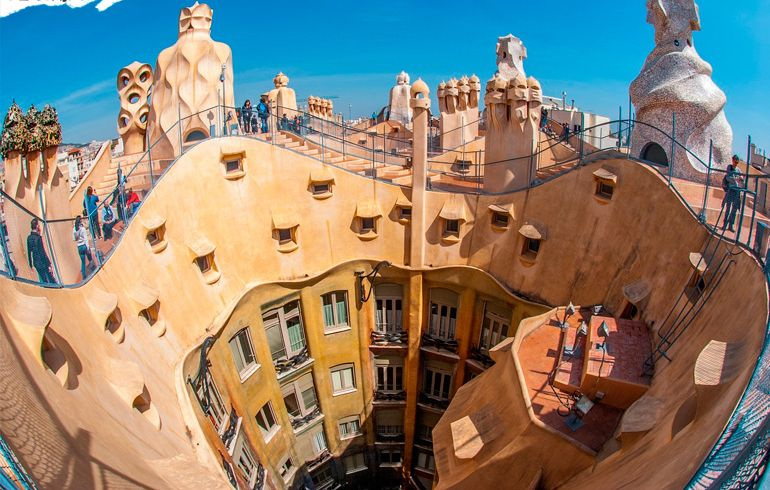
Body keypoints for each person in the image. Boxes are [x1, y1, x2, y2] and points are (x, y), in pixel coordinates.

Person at [26, 218, 55, 283]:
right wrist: (49, 264)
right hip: (43, 262)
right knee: (50, 278)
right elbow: (42, 252)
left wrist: (30, 264)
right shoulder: (38, 238)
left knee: (43, 279)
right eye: (38, 225)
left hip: (36, 263)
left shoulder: (29, 238)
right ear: (36, 226)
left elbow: (29, 252)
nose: (39, 226)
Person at [721, 155, 744, 232]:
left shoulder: (738, 170)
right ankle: (725, 224)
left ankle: (731, 225)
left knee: (734, 209)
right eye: (735, 161)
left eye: (737, 162)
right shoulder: (729, 167)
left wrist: (740, 179)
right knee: (728, 207)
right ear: (732, 160)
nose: (736, 164)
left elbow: (742, 180)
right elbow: (728, 177)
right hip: (730, 190)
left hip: (736, 191)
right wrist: (735, 179)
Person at [73, 215, 94, 280]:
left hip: (79, 247)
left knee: (83, 262)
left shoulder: (74, 229)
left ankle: (84, 276)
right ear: (80, 221)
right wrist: (88, 247)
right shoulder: (82, 229)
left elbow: (74, 239)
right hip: (84, 245)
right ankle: (93, 269)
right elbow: (85, 239)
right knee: (89, 258)